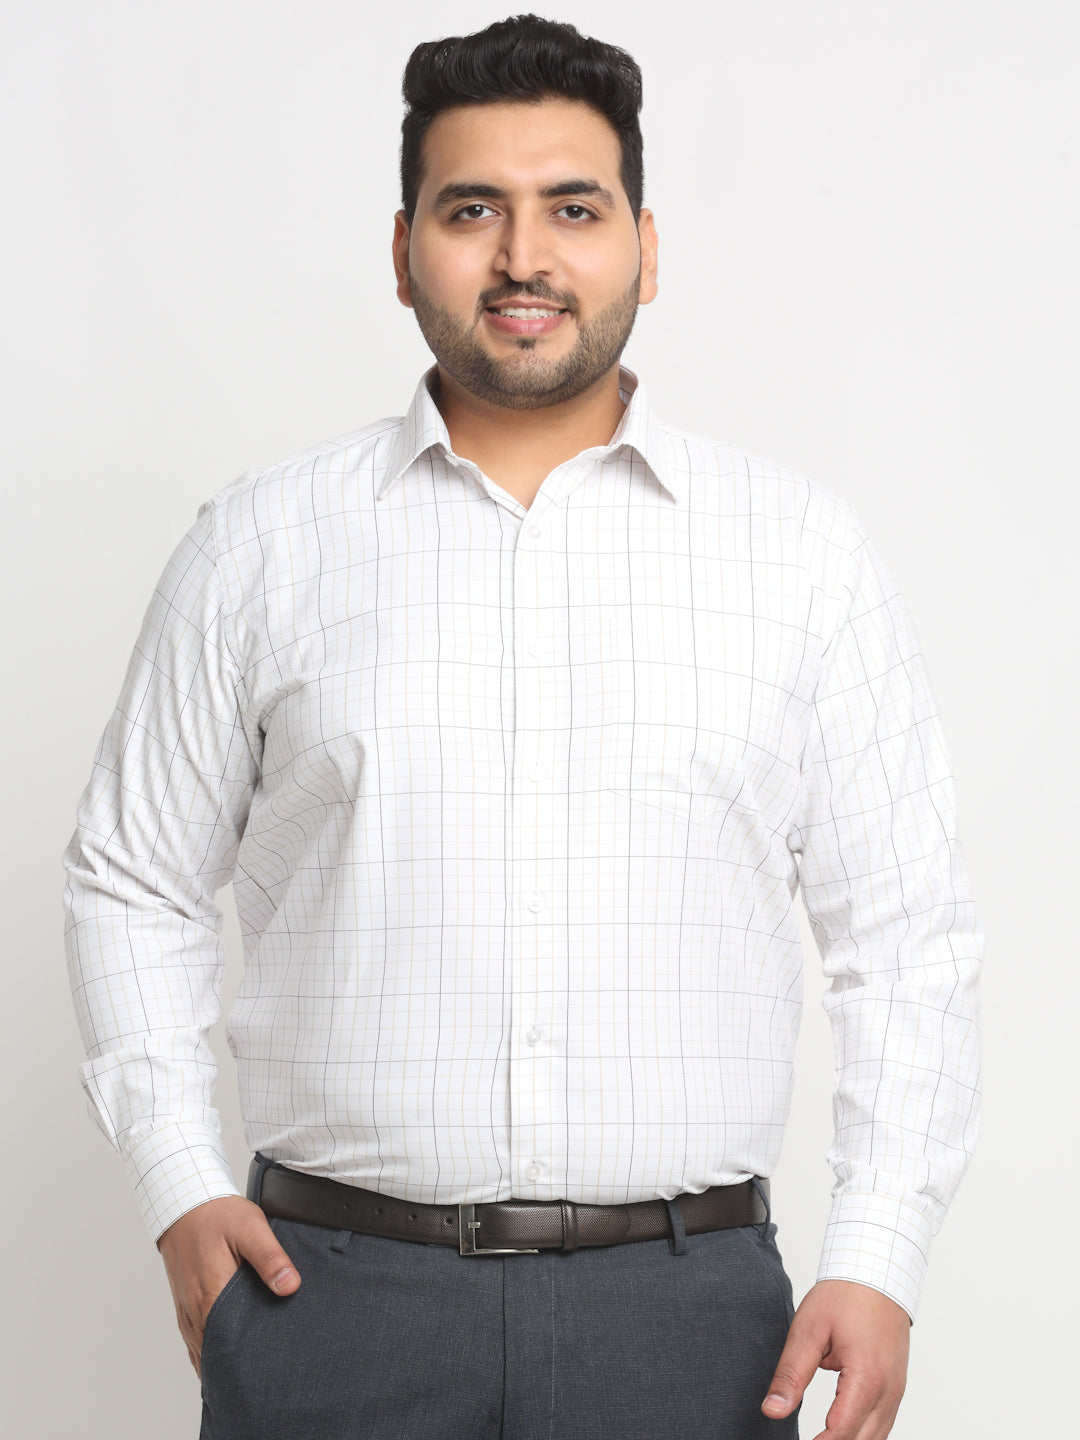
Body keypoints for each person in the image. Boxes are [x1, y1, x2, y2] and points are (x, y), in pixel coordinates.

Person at [62, 15, 983, 1440]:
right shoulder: (259, 549)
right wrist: (180, 1180)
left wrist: (880, 1253)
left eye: (574, 209)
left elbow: (908, 935)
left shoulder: (802, 559)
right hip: (330, 1304)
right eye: (471, 209)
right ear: (402, 250)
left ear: (646, 249)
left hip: (689, 1318)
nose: (523, 257)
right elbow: (133, 879)